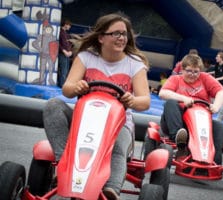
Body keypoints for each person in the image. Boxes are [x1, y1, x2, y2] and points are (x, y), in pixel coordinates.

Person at [43, 13, 150, 200]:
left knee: (119, 145)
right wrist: (77, 87)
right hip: (84, 120)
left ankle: (111, 190)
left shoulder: (134, 64)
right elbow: (67, 90)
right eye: (115, 33)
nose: (121, 38)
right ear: (101, 37)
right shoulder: (86, 57)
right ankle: (64, 165)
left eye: (124, 34)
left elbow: (145, 101)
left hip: (117, 124)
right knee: (53, 105)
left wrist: (131, 100)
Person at [159, 54, 223, 164]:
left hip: (200, 121)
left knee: (220, 127)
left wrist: (216, 106)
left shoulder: (205, 78)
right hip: (179, 121)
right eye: (189, 71)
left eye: (196, 72)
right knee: (171, 103)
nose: (192, 75)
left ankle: (214, 158)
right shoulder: (175, 79)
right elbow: (163, 93)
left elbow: (221, 91)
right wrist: (183, 99)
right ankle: (179, 140)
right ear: (182, 70)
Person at [57, 19, 73, 87]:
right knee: (63, 71)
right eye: (69, 25)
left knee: (66, 71)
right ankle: (62, 85)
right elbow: (58, 44)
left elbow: (69, 44)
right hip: (62, 54)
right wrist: (64, 51)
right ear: (65, 24)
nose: (69, 27)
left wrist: (70, 52)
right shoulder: (60, 32)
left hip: (67, 55)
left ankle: (63, 85)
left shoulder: (66, 34)